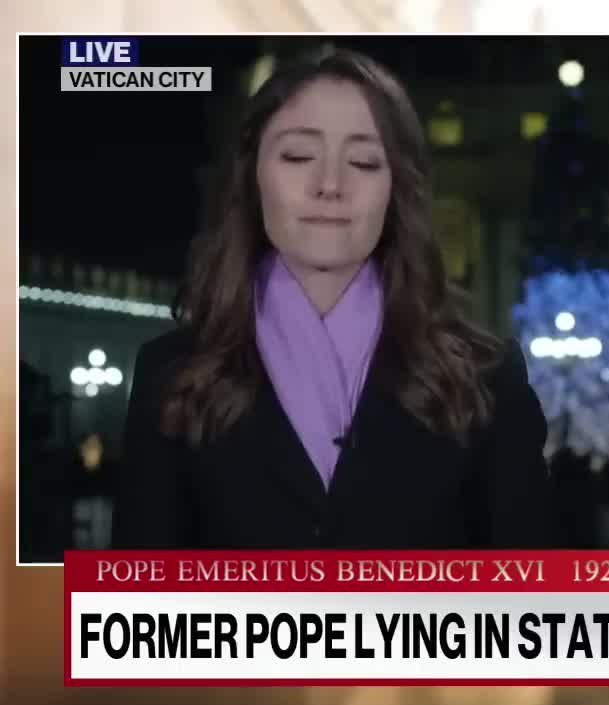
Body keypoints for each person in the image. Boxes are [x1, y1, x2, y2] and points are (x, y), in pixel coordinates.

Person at [112, 49, 560, 549]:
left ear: (397, 189)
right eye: (299, 156)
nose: (330, 185)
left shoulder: (488, 378)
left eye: (365, 162)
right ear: (252, 177)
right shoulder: (170, 373)